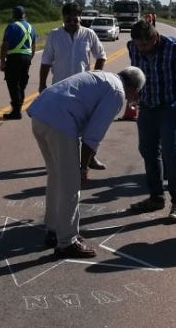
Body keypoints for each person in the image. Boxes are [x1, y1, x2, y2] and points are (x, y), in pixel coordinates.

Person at [27, 67, 146, 258]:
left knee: (56, 177)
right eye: (137, 94)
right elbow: (92, 137)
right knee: (71, 185)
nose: (134, 98)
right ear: (133, 89)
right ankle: (66, 242)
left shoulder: (105, 76)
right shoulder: (117, 92)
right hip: (60, 122)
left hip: (41, 114)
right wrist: (82, 168)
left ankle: (54, 229)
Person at [127, 20, 176, 221]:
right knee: (147, 150)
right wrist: (134, 92)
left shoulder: (174, 48)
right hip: (148, 105)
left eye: (143, 45)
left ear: (155, 38)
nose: (140, 49)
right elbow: (136, 71)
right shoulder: (133, 47)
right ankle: (156, 197)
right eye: (137, 45)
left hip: (172, 105)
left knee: (170, 151)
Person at [40, 2, 108, 170]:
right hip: (60, 89)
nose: (72, 22)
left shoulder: (89, 34)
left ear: (80, 17)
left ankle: (90, 158)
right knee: (62, 127)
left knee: (88, 126)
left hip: (84, 90)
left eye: (75, 19)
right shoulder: (54, 35)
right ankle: (62, 159)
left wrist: (95, 76)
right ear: (63, 18)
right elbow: (46, 61)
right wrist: (42, 84)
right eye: (68, 19)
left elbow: (101, 55)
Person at [0, 6, 36, 120]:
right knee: (21, 84)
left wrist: (2, 61)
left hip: (14, 58)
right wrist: (30, 58)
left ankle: (16, 111)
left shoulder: (11, 26)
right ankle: (17, 108)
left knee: (13, 84)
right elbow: (33, 46)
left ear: (14, 15)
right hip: (27, 58)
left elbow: (5, 45)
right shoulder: (31, 27)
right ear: (24, 15)